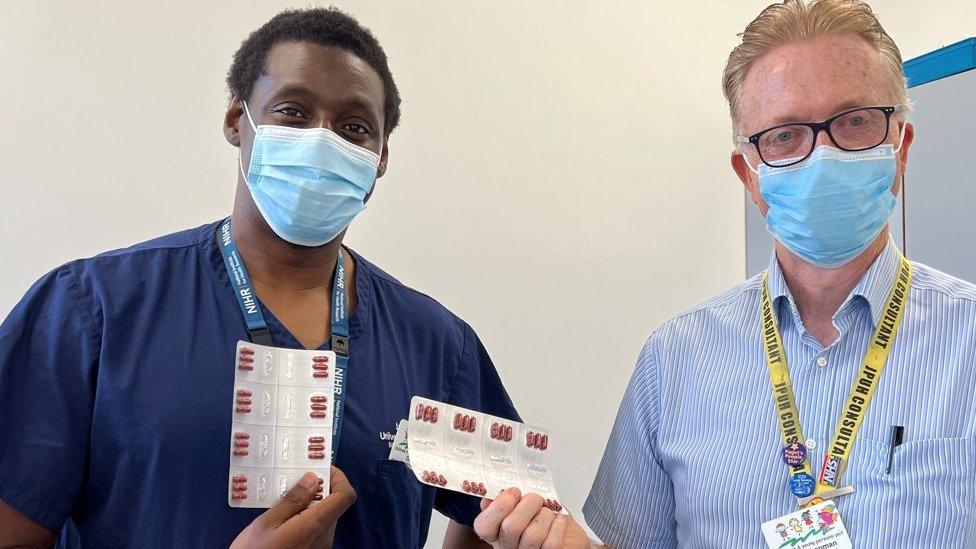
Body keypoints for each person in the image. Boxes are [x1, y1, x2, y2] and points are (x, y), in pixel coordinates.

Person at [0, 8, 518, 548]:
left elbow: (498, 510)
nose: (322, 141)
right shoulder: (93, 310)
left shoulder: (436, 344)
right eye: (292, 113)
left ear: (381, 156)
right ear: (235, 120)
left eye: (354, 127)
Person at [473, 0, 976, 547]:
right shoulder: (675, 359)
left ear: (900, 146)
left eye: (855, 122)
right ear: (749, 175)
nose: (823, 154)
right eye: (784, 135)